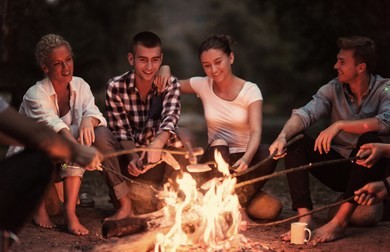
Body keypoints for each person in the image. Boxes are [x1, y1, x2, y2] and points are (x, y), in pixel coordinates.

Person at [269, 36, 390, 243]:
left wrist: (339, 125)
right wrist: (282, 136)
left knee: (369, 139)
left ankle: (339, 223)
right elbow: (305, 114)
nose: (336, 66)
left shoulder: (385, 89)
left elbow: (386, 122)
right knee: (296, 141)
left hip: (372, 169)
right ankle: (305, 219)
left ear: (361, 67)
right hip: (340, 166)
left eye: (342, 62)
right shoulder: (333, 88)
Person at [163, 34, 280, 221]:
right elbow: (170, 84)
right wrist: (165, 67)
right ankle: (237, 210)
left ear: (231, 58)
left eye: (218, 62)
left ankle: (232, 202)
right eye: (207, 65)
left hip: (243, 163)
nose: (213, 70)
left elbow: (257, 131)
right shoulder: (202, 84)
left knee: (268, 154)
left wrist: (247, 158)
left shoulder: (250, 90)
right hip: (216, 162)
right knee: (220, 142)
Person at [7, 34, 111, 236]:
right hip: (32, 155)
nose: (66, 68)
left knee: (83, 136)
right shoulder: (35, 94)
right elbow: (53, 127)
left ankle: (70, 213)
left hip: (60, 158)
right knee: (58, 143)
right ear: (45, 68)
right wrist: (79, 151)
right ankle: (40, 209)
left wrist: (89, 120)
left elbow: (94, 112)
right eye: (57, 64)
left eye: (68, 60)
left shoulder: (80, 85)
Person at [0, 95, 102, 252]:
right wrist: (75, 151)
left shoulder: (80, 88)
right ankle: (3, 240)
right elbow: (38, 135)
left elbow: (13, 134)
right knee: (39, 162)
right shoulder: (36, 93)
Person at [105, 31, 188, 215]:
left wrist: (157, 142)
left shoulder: (170, 83)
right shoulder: (116, 87)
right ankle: (125, 200)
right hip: (129, 164)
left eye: (155, 60)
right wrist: (133, 157)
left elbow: (170, 118)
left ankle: (168, 200)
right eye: (143, 60)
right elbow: (121, 131)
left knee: (183, 135)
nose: (150, 67)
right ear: (131, 58)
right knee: (102, 135)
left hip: (158, 163)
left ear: (161, 59)